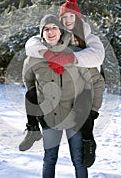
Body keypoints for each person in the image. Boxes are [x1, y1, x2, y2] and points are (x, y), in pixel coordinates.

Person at [20, 0, 105, 167]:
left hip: (85, 78)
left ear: (78, 18)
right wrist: (47, 54)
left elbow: (98, 56)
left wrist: (70, 58)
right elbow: (32, 44)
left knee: (85, 107)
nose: (67, 21)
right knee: (31, 93)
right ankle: (32, 128)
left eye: (71, 16)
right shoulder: (54, 33)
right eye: (64, 17)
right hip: (62, 82)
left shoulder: (87, 35)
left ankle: (89, 141)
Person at [22, 14, 91, 177]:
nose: (50, 32)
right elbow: (29, 82)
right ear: (41, 34)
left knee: (79, 160)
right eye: (46, 29)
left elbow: (89, 81)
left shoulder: (75, 54)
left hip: (75, 116)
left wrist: (81, 103)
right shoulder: (33, 58)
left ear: (61, 31)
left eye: (54, 28)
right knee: (50, 158)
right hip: (49, 117)